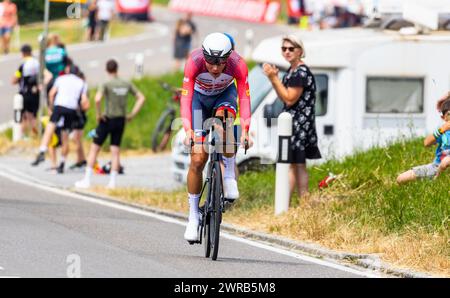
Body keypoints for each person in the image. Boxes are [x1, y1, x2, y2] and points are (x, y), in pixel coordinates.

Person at [180, 32, 251, 242]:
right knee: (198, 159)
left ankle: (228, 175)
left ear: (229, 57)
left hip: (224, 97)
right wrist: (188, 130)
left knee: (226, 124)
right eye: (210, 61)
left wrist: (246, 129)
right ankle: (193, 216)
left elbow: (244, 97)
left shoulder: (238, 64)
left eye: (220, 62)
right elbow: (186, 98)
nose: (214, 67)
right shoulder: (193, 62)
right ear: (204, 56)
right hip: (198, 102)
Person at [263, 35, 321, 200]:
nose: (287, 52)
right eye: (284, 49)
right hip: (295, 122)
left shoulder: (300, 73)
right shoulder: (293, 71)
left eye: (291, 48)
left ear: (300, 51)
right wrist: (275, 79)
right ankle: (299, 202)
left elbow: (289, 98)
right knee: (295, 165)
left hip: (299, 124)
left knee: (295, 165)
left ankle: (293, 203)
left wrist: (273, 79)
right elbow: (285, 98)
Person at [75, 59, 145, 189]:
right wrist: (132, 114)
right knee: (115, 151)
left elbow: (97, 99)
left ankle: (87, 180)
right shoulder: (126, 83)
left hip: (107, 119)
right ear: (117, 69)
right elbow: (141, 98)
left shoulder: (107, 83)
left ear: (107, 70)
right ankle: (112, 182)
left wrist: (98, 114)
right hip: (121, 119)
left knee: (94, 148)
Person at [32, 64, 90, 174]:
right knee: (65, 137)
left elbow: (51, 93)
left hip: (59, 105)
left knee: (50, 126)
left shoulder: (61, 79)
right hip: (71, 109)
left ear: (68, 71)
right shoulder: (82, 83)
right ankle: (62, 162)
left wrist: (51, 107)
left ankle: (42, 150)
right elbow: (84, 101)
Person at [397, 99, 450, 184]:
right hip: (436, 166)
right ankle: (435, 177)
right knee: (401, 178)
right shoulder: (443, 132)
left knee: (446, 161)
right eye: (449, 114)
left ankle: (437, 180)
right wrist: (442, 129)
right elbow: (426, 143)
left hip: (447, 164)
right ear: (443, 118)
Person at [11, 44, 40, 137]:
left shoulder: (23, 65)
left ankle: (22, 136)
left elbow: (14, 80)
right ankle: (35, 135)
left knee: (24, 117)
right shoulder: (37, 63)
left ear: (23, 53)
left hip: (25, 93)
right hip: (36, 93)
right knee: (34, 117)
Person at [70, 71, 88, 170]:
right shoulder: (82, 89)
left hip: (79, 116)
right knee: (76, 139)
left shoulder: (82, 90)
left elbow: (86, 105)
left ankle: (79, 160)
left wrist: (78, 108)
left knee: (76, 139)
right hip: (78, 116)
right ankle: (82, 159)